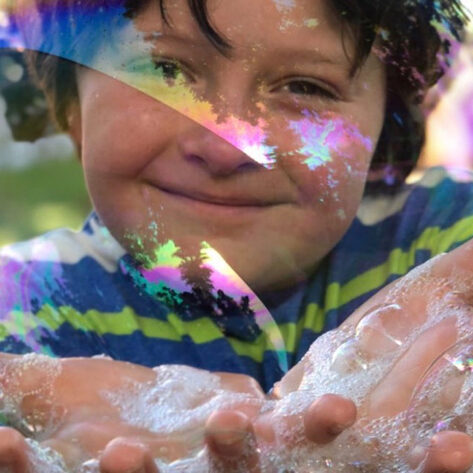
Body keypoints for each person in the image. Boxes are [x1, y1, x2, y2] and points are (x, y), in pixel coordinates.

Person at [0, 0, 473, 471]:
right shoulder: (24, 310)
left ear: (383, 131)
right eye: (165, 69)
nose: (226, 147)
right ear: (72, 106)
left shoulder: (447, 244)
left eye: (304, 87)